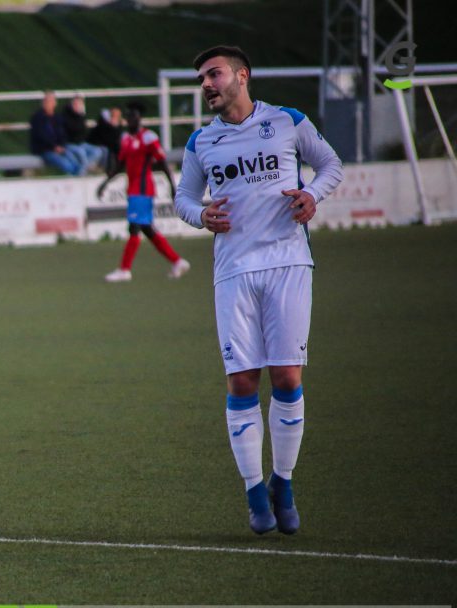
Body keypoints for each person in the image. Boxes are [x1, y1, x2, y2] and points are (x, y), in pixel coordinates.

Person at [174, 45, 343, 535]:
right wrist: (200, 215)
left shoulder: (287, 120)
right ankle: (253, 490)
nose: (206, 84)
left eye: (214, 74)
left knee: (287, 377)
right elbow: (183, 197)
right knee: (243, 381)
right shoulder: (201, 142)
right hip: (233, 272)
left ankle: (283, 482)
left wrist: (312, 194)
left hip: (288, 262)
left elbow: (330, 165)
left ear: (241, 76)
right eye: (202, 77)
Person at [97, 101, 190, 282]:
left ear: (140, 119)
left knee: (134, 227)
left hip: (143, 189)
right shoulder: (125, 139)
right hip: (133, 189)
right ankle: (178, 262)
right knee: (147, 229)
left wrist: (172, 186)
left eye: (134, 116)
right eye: (129, 116)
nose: (131, 119)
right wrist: (105, 183)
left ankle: (124, 270)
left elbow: (162, 163)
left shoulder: (148, 137)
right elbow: (120, 164)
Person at [29, 91, 82, 176]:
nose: (49, 103)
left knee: (77, 160)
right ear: (43, 103)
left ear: (55, 103)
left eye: (51, 101)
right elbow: (41, 136)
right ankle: (76, 181)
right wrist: (54, 147)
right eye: (47, 101)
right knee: (67, 165)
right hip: (44, 150)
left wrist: (61, 146)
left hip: (59, 148)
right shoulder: (37, 118)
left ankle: (77, 180)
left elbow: (62, 134)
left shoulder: (57, 117)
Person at [61, 95, 106, 172]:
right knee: (81, 153)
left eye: (80, 104)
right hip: (69, 144)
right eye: (75, 104)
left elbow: (82, 133)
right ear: (71, 104)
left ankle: (81, 169)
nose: (77, 106)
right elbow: (72, 131)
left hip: (80, 143)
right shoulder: (65, 116)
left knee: (97, 151)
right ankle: (81, 173)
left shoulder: (80, 116)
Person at [87, 107, 123, 174]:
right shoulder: (104, 125)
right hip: (97, 145)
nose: (115, 119)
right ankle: (102, 168)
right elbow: (106, 140)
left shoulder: (117, 126)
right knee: (105, 150)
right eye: (113, 116)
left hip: (107, 146)